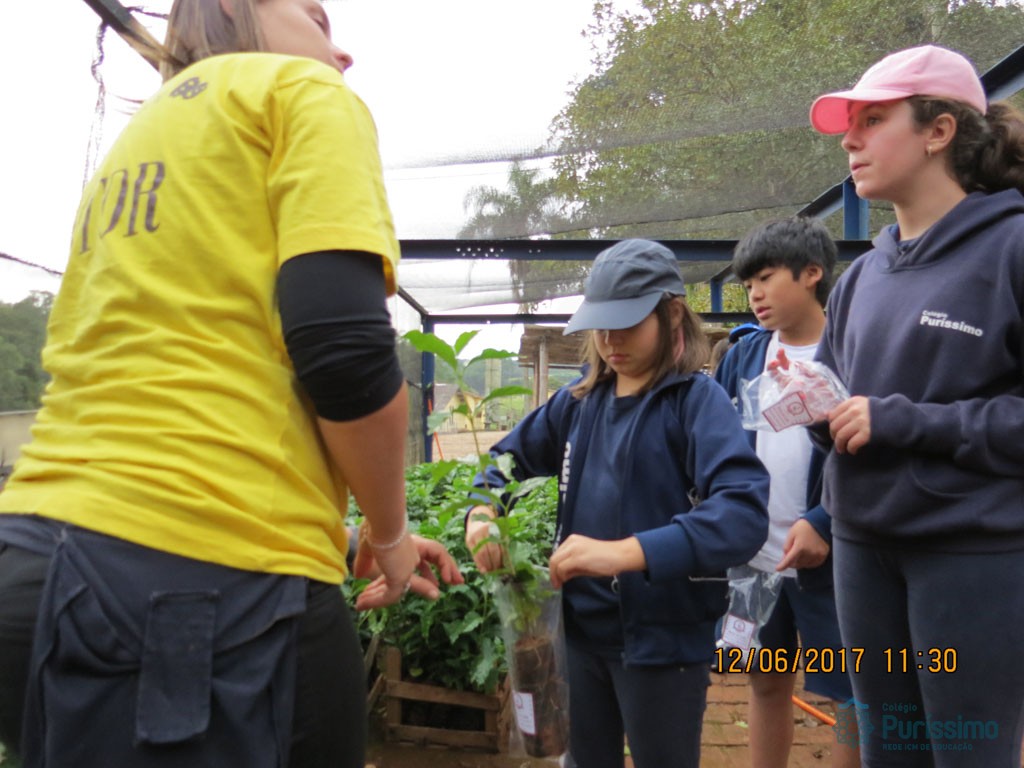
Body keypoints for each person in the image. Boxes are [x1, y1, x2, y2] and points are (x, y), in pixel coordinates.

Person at [0, 1, 463, 766]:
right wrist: (389, 537)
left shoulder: (144, 136)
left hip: (35, 565)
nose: (342, 54)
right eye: (318, 19)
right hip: (203, 594)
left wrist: (346, 537)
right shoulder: (298, 92)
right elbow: (343, 348)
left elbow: (176, 383)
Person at [465, 239, 770, 768]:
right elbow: (503, 462)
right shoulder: (578, 402)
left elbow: (742, 514)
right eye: (599, 326)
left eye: (626, 324)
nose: (609, 340)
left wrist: (625, 552)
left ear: (671, 315)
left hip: (664, 644)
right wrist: (482, 513)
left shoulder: (695, 403)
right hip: (579, 638)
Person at [808, 44, 1024, 765]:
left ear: (939, 131)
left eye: (873, 120)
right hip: (859, 549)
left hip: (972, 554)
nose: (850, 140)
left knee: (968, 753)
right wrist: (816, 412)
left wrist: (902, 420)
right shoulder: (860, 277)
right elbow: (840, 398)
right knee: (887, 751)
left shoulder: (1012, 249)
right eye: (849, 124)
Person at [714, 216, 858, 768]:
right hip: (755, 558)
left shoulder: (853, 351)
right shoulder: (745, 357)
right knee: (765, 681)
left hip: (832, 561)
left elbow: (874, 458)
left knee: (851, 695)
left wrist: (823, 523)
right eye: (749, 282)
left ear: (812, 273)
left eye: (766, 278)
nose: (754, 294)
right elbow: (719, 445)